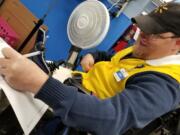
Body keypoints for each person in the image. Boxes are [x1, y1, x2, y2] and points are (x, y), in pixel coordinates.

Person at [0, 1, 180, 135]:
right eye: (143, 27)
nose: (143, 36)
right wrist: (92, 55)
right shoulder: (145, 50)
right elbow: (111, 58)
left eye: (154, 33)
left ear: (177, 44)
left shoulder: (165, 85)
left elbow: (112, 118)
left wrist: (39, 84)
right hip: (68, 85)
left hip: (75, 120)